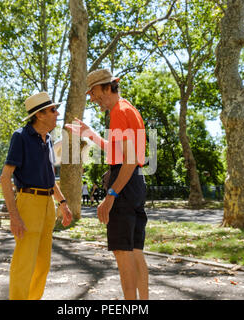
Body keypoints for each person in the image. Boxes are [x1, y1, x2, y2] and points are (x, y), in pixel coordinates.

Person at [65, 69, 149, 300]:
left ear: (107, 87)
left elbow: (128, 161)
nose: (92, 98)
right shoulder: (127, 108)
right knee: (135, 251)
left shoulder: (118, 113)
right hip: (136, 183)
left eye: (93, 92)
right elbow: (121, 153)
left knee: (123, 255)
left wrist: (110, 195)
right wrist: (90, 134)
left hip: (124, 182)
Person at [0, 91, 73, 300]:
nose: (57, 113)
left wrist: (63, 203)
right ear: (39, 115)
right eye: (53, 110)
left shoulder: (49, 138)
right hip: (28, 203)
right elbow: (5, 178)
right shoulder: (21, 137)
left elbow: (49, 177)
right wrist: (14, 216)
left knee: (43, 265)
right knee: (24, 264)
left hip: (48, 204)